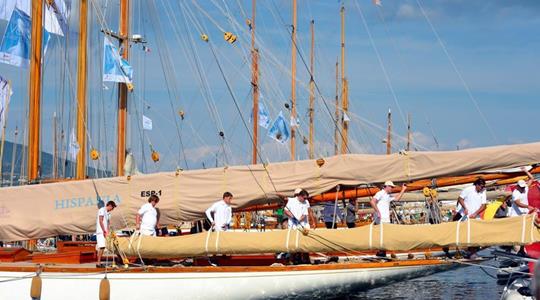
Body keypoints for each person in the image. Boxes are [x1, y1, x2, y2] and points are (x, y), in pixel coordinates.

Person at [96, 200, 117, 268]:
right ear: (110, 205)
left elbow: (108, 223)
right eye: (112, 208)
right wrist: (104, 231)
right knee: (101, 247)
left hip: (105, 232)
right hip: (100, 231)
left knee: (104, 246)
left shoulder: (109, 214)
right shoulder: (102, 210)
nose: (112, 209)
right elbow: (100, 221)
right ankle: (98, 263)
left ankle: (99, 262)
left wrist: (108, 231)